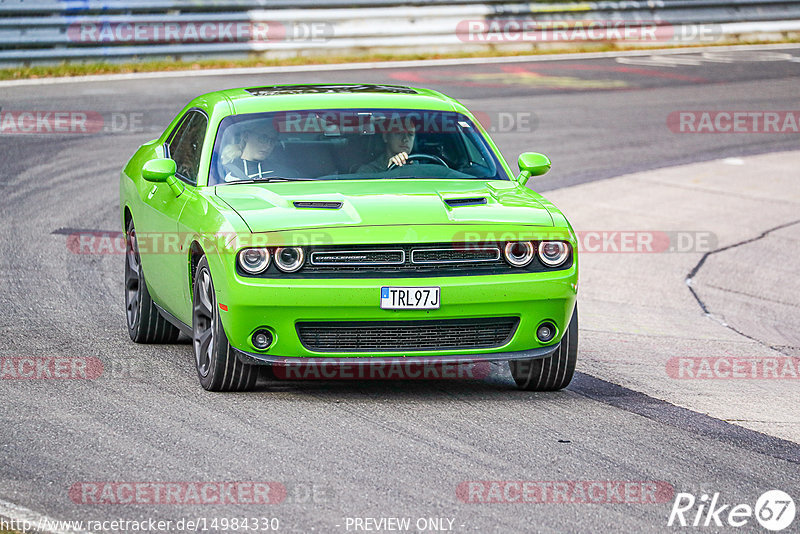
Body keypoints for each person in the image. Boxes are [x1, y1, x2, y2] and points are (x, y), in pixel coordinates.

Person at [220, 121, 292, 182]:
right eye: (263, 138)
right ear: (246, 136)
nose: (268, 145)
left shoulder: (283, 174)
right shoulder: (224, 171)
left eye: (272, 141)